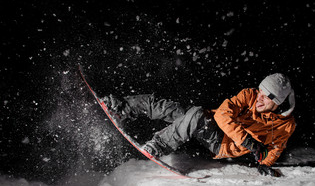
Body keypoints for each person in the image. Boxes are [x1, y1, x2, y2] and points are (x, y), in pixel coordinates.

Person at [102, 73, 296, 176]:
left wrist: (264, 163)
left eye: (265, 98)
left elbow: (276, 147)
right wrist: (247, 141)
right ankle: (122, 108)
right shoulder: (249, 95)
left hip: (220, 145)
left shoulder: (284, 126)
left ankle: (158, 145)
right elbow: (222, 114)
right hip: (210, 124)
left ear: (278, 102)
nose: (259, 99)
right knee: (170, 108)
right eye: (260, 92)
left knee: (194, 114)